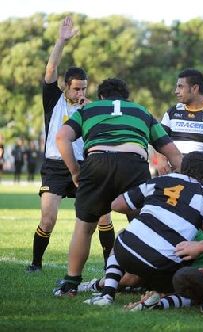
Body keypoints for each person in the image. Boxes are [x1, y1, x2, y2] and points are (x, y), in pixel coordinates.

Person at [83, 152, 203, 305]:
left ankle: (106, 292)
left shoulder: (161, 181)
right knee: (171, 266)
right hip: (166, 266)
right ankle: (161, 294)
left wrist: (156, 206)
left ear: (183, 167)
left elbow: (117, 205)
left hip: (130, 252)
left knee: (126, 237)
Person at [53, 77, 183, 296]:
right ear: (126, 98)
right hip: (133, 165)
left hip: (96, 164)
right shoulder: (141, 111)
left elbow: (61, 137)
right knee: (144, 226)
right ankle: (148, 279)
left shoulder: (89, 109)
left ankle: (70, 283)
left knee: (84, 227)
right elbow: (173, 153)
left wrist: (76, 171)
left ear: (102, 96)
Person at [26, 16, 114, 273]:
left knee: (103, 217)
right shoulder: (54, 100)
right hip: (55, 167)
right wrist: (61, 41)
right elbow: (51, 68)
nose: (81, 94)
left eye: (84, 89)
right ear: (66, 86)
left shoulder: (91, 108)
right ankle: (35, 264)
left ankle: (111, 267)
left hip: (85, 167)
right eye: (76, 89)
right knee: (48, 218)